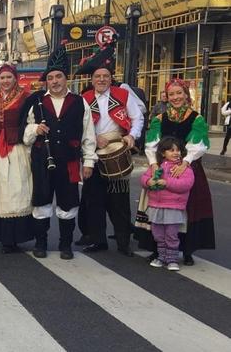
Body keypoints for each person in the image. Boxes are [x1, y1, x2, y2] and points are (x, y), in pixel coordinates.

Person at [23, 43, 97, 260]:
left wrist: (90, 162)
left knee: (69, 202)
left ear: (66, 78)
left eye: (58, 76)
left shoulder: (79, 102)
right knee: (41, 202)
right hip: (42, 160)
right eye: (51, 77)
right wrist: (34, 129)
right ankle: (41, 243)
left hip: (70, 161)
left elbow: (88, 133)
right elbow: (25, 130)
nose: (54, 81)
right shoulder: (37, 101)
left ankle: (66, 244)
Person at [74, 42, 144, 256]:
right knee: (94, 201)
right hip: (94, 155)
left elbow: (137, 117)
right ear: (92, 79)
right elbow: (78, 126)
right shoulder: (84, 99)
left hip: (117, 152)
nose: (102, 80)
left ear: (110, 77)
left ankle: (123, 242)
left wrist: (132, 135)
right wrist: (94, 139)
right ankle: (98, 240)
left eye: (105, 76)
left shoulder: (123, 95)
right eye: (98, 77)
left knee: (120, 203)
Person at [139, 78, 215, 265]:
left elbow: (199, 143)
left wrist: (186, 162)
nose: (175, 97)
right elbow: (151, 143)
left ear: (186, 95)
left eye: (179, 93)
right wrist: (153, 164)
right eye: (172, 94)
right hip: (162, 167)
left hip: (188, 167)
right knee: (158, 205)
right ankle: (157, 248)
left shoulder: (196, 118)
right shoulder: (159, 119)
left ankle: (187, 250)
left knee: (189, 207)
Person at [0, 65, 33, 253]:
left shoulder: (26, 97)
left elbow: (31, 121)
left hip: (17, 148)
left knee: (17, 188)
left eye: (8, 77)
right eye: (2, 78)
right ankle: (4, 237)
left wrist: (30, 135)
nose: (5, 81)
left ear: (15, 78)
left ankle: (17, 236)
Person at [140, 136, 195, 271]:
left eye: (178, 150)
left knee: (171, 234)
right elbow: (144, 178)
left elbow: (186, 184)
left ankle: (172, 259)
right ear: (163, 153)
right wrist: (149, 182)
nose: (176, 153)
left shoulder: (184, 168)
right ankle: (161, 256)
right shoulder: (156, 167)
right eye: (171, 150)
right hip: (156, 206)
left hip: (173, 207)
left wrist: (167, 183)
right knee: (158, 233)